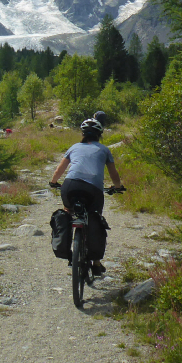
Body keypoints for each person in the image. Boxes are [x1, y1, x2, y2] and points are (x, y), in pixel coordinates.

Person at [49, 117, 123, 276]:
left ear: (83, 134)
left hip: (70, 186)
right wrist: (118, 187)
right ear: (100, 135)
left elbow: (58, 170)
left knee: (68, 211)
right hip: (93, 190)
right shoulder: (104, 150)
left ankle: (67, 247)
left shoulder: (74, 147)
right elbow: (114, 174)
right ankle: (96, 263)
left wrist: (53, 182)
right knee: (95, 217)